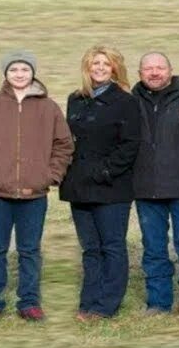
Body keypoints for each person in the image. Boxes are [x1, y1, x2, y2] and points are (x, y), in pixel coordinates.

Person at [0, 50, 73, 323]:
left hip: (35, 194)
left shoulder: (49, 108)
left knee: (30, 249)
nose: (19, 74)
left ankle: (29, 302)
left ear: (33, 72)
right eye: (14, 70)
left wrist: (50, 176)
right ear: (5, 74)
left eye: (24, 69)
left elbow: (64, 146)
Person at [58, 46, 141, 322]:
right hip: (78, 186)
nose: (101, 68)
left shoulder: (125, 102)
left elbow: (130, 145)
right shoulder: (75, 99)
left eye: (107, 64)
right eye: (96, 63)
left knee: (112, 245)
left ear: (115, 69)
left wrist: (105, 171)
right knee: (90, 247)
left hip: (111, 187)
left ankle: (106, 306)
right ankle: (88, 301)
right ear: (87, 67)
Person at [131, 51, 179, 318]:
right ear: (140, 73)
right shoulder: (132, 100)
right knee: (153, 249)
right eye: (148, 68)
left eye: (160, 68)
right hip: (146, 187)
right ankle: (158, 304)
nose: (154, 72)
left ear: (170, 70)